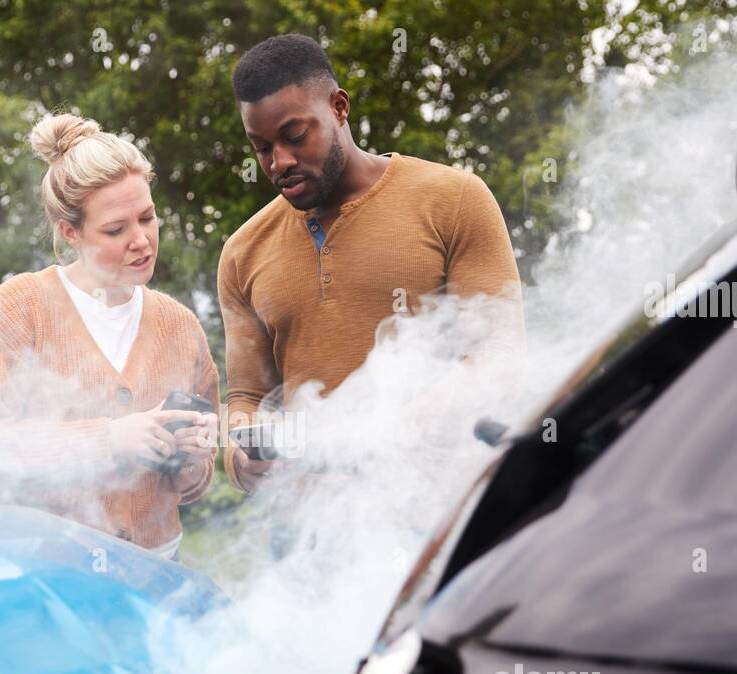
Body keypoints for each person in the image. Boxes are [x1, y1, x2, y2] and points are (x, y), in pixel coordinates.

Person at [219, 33, 525, 494]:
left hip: (438, 505)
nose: (280, 161)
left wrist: (404, 424)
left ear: (339, 107)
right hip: (306, 531)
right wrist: (238, 455)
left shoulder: (454, 199)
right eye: (261, 148)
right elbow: (247, 396)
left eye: (295, 136)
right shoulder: (243, 253)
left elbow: (499, 352)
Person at [0, 113, 219, 560]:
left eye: (148, 218)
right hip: (47, 574)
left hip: (157, 573)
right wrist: (108, 440)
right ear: (70, 232)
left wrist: (191, 458)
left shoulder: (180, 326)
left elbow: (191, 484)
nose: (142, 241)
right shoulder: (18, 310)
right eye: (116, 229)